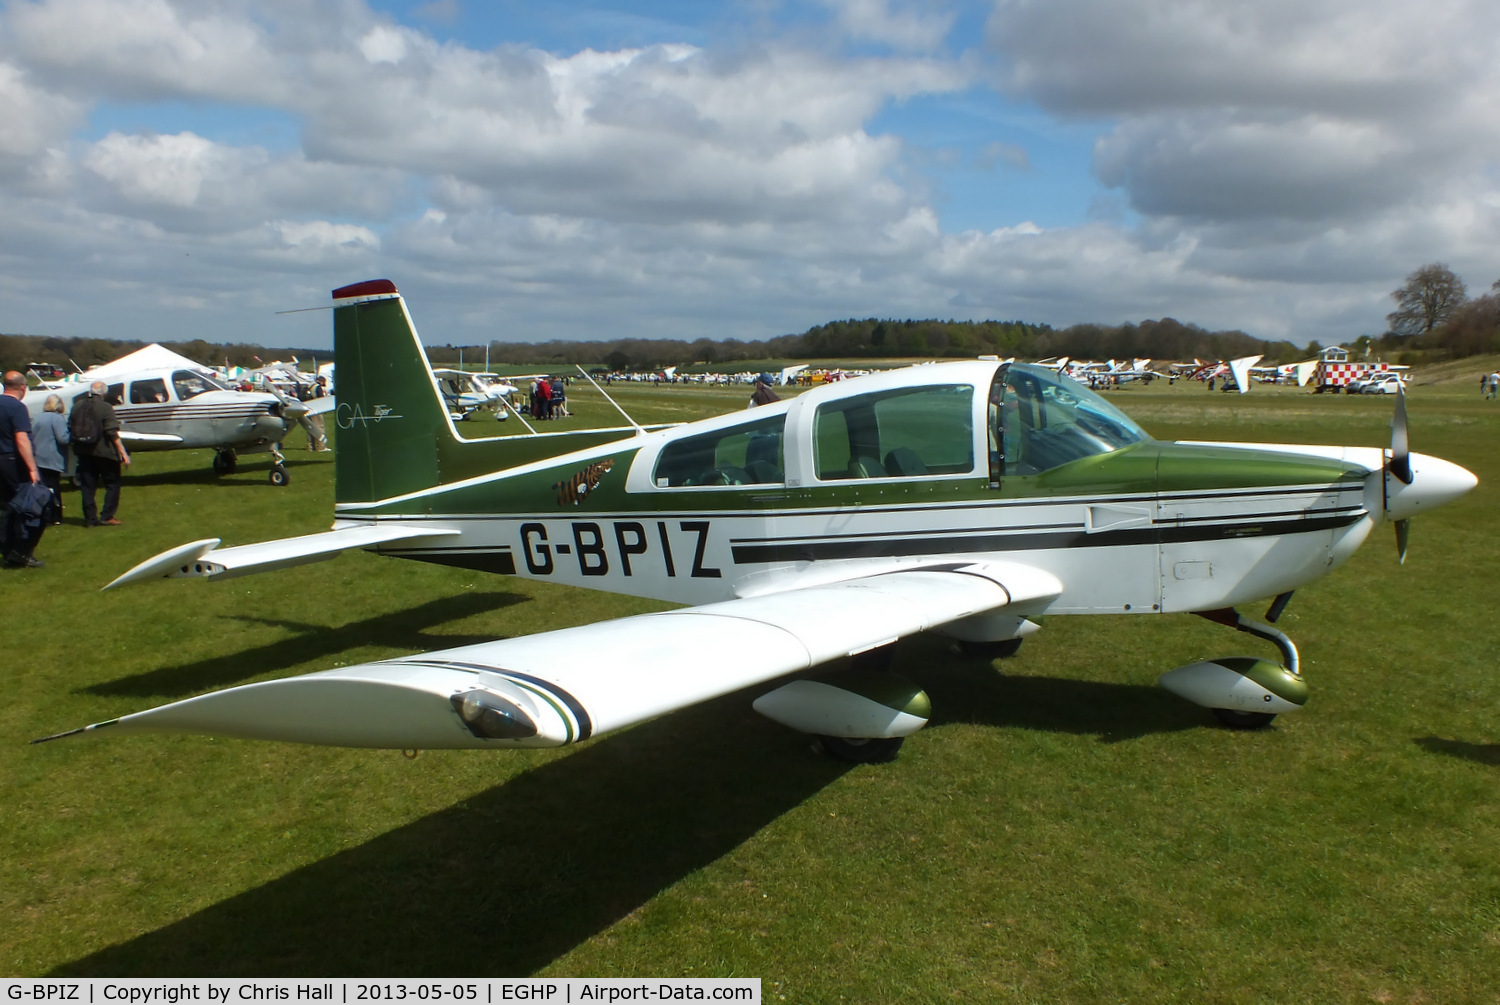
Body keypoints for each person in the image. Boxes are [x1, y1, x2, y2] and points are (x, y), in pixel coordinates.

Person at [1, 371, 45, 567]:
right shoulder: (17, 408)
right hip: (13, 462)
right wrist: (32, 468)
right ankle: (22, 551)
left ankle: (8, 550)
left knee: (6, 507)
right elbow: (21, 439)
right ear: (22, 387)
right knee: (28, 507)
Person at [72, 380, 130, 527]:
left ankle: (90, 519)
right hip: (104, 453)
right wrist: (123, 452)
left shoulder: (77, 406)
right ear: (104, 393)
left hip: (84, 452)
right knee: (112, 484)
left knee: (87, 487)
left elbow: (70, 426)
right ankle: (107, 515)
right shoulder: (106, 407)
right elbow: (112, 432)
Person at [32, 393, 70, 526]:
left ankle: (43, 514)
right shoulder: (57, 418)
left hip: (38, 458)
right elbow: (63, 439)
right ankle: (55, 516)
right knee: (54, 488)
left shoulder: (38, 418)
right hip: (52, 459)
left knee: (43, 488)